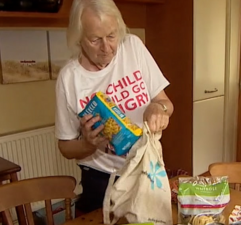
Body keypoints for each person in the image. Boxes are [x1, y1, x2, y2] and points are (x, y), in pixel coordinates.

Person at [54, 0, 174, 214]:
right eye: (95, 40)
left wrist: (159, 109)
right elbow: (65, 146)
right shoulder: (70, 78)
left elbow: (166, 103)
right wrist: (88, 144)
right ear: (79, 38)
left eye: (111, 36)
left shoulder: (133, 47)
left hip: (146, 171)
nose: (107, 48)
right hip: (101, 182)